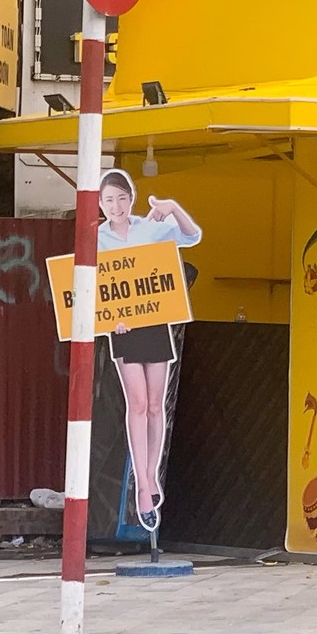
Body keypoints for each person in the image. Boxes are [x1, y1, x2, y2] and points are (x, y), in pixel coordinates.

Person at [96, 170, 202, 530]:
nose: (117, 206)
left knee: (156, 405)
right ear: (101, 204)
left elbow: (193, 236)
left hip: (155, 320)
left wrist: (171, 208)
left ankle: (150, 475)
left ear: (132, 198)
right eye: (109, 200)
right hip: (123, 327)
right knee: (137, 404)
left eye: (122, 198)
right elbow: (92, 285)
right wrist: (110, 318)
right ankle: (142, 482)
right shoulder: (98, 238)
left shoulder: (148, 227)